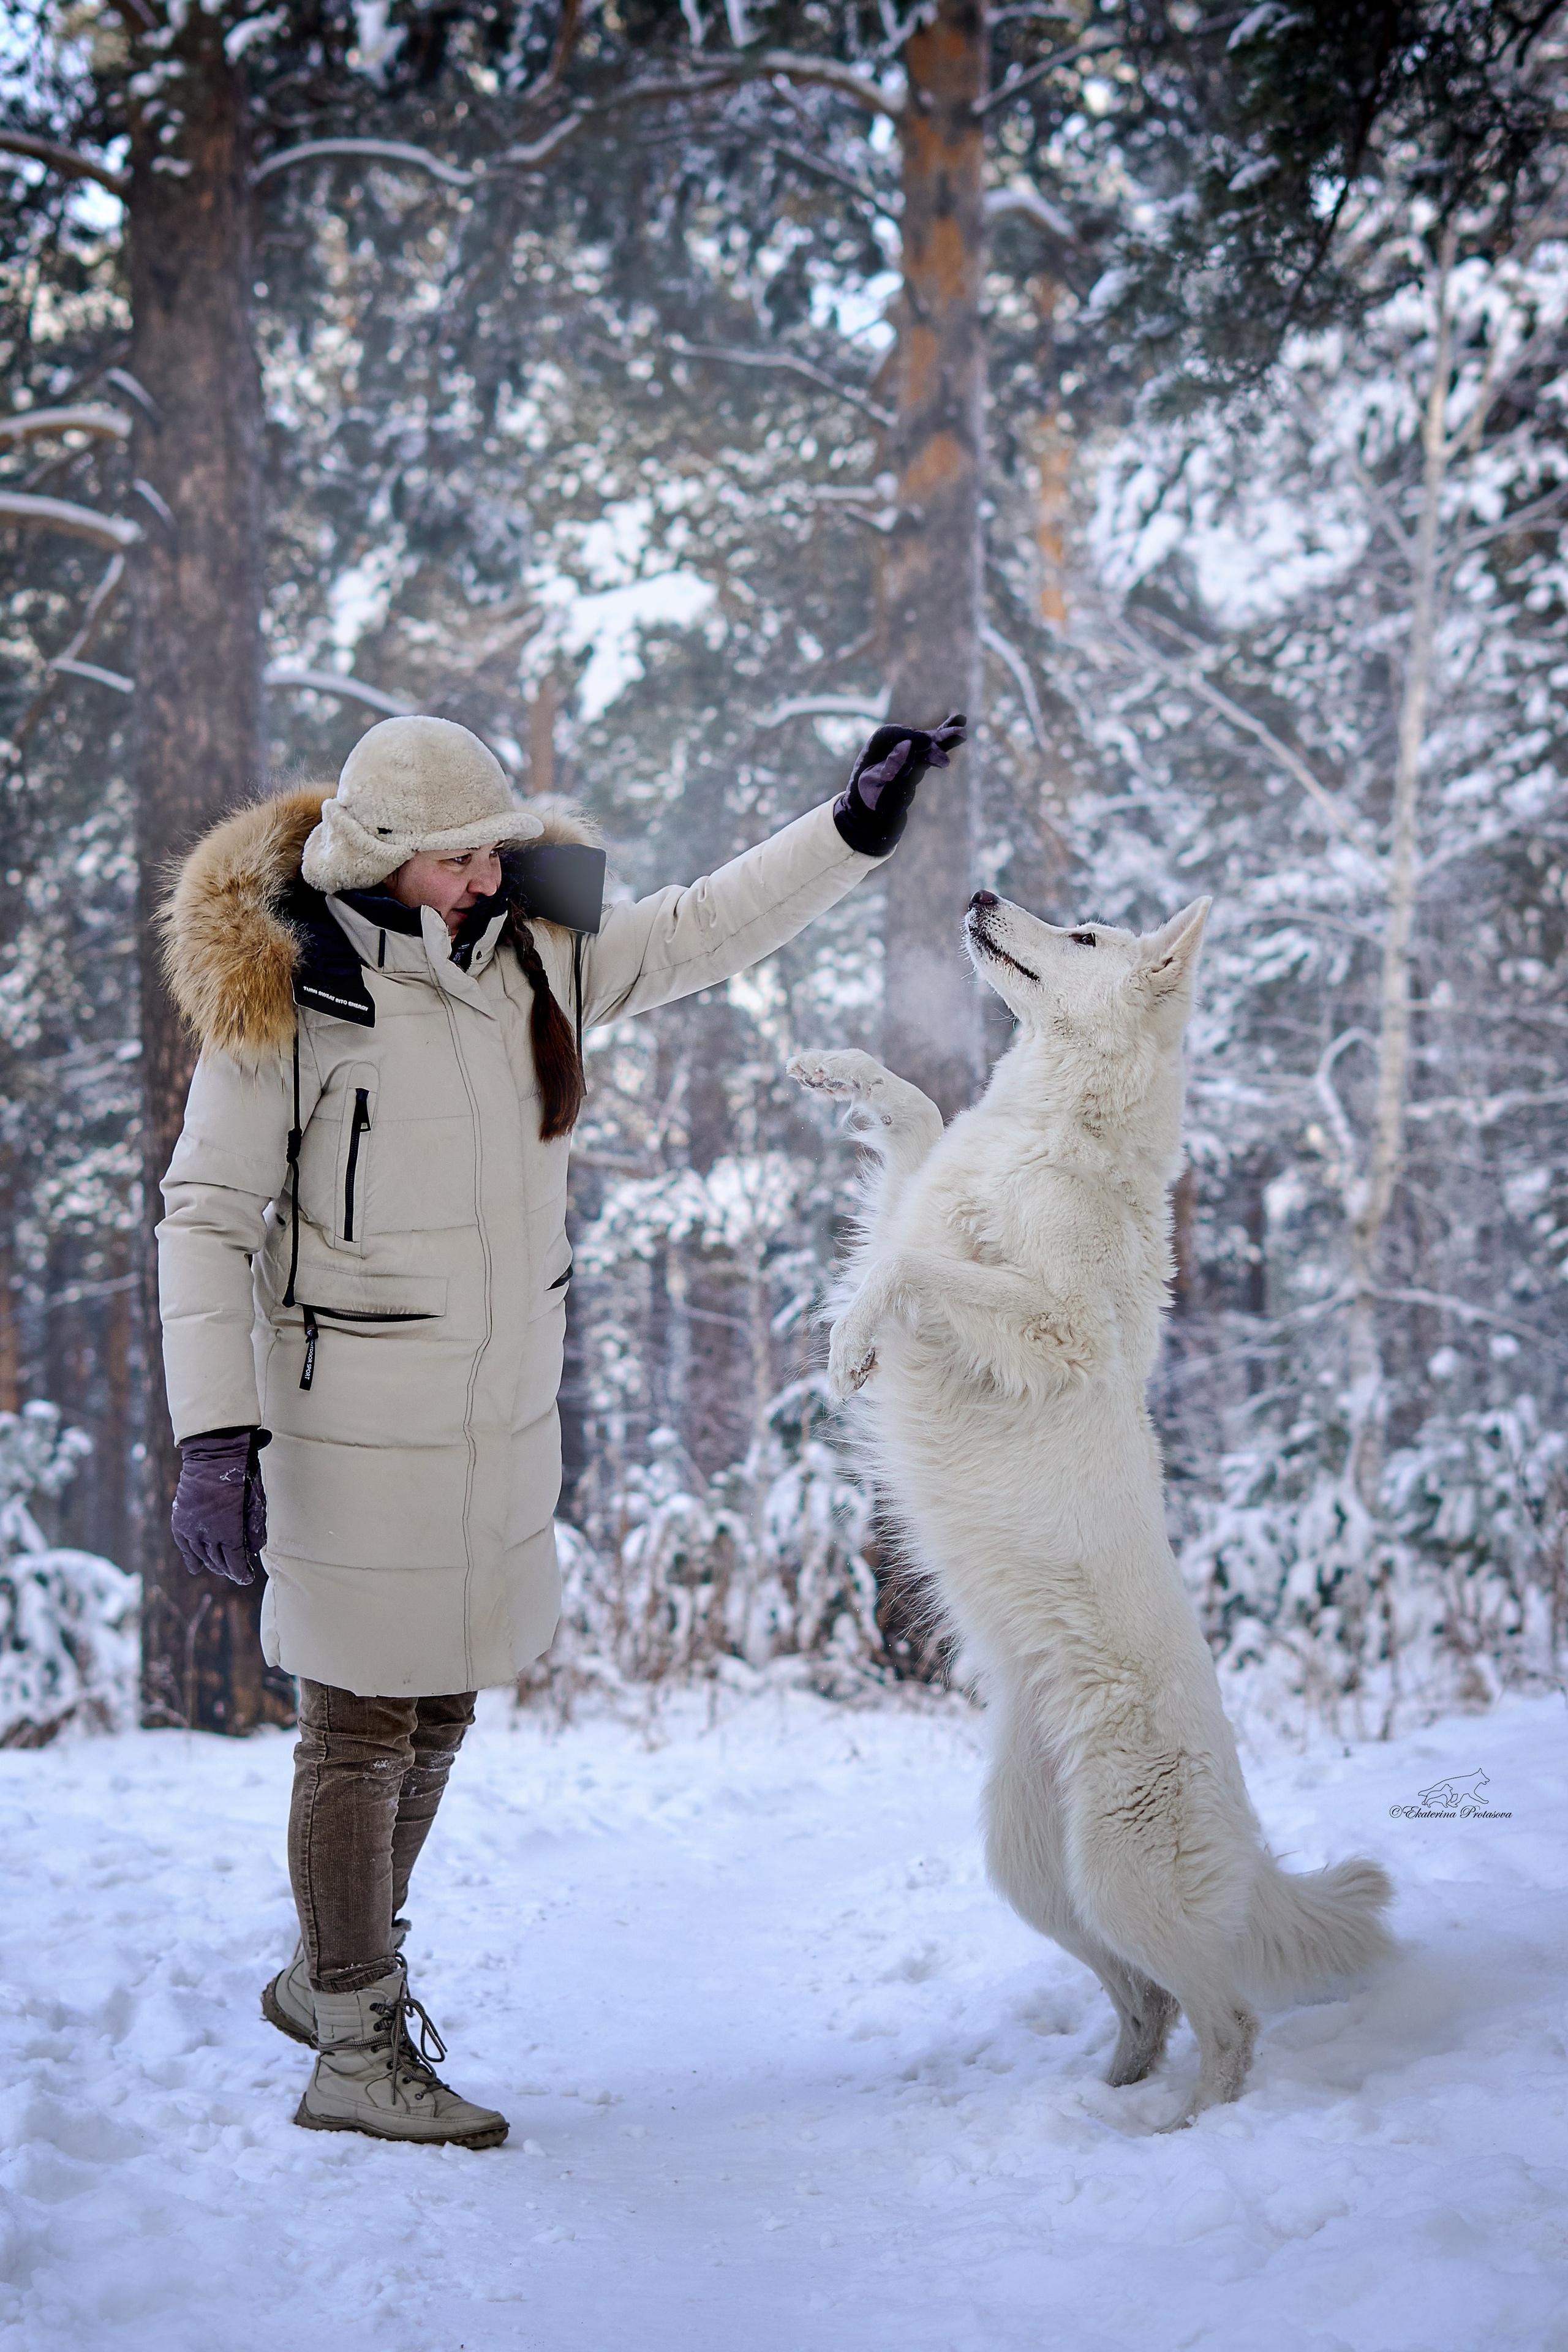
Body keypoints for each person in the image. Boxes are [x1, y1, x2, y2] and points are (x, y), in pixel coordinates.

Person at [157, 708, 965, 2149]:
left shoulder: (533, 939)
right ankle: (352, 2035)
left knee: (449, 1696)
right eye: (464, 855)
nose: (491, 871)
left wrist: (850, 828)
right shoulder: (292, 987)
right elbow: (206, 1219)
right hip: (347, 1410)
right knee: (356, 1721)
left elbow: (705, 926)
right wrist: (214, 1435)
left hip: (495, 1409)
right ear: (389, 855)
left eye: (499, 845)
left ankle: (329, 1969)